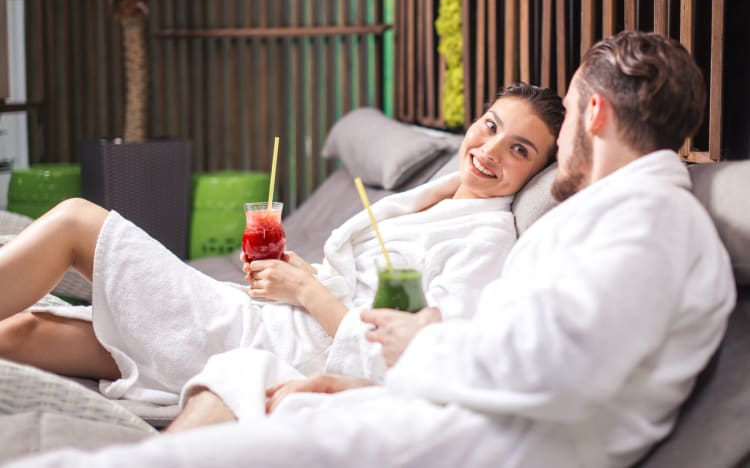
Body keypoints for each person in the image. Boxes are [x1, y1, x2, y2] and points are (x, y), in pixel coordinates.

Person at [7, 30, 735, 468]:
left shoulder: (651, 222)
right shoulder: (623, 216)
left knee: (223, 377)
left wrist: (421, 342)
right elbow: (539, 356)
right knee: (232, 382)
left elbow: (556, 365)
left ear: (595, 111)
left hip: (451, 445)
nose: (491, 153)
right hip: (424, 409)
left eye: (564, 118)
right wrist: (376, 379)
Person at [0, 83, 562, 406]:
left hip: (278, 346)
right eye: (490, 126)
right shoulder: (436, 196)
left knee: (77, 220)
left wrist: (307, 291)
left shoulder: (488, 241)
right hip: (268, 315)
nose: (490, 150)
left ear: (540, 169)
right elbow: (359, 283)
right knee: (22, 332)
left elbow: (414, 360)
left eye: (519, 150)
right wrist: (303, 275)